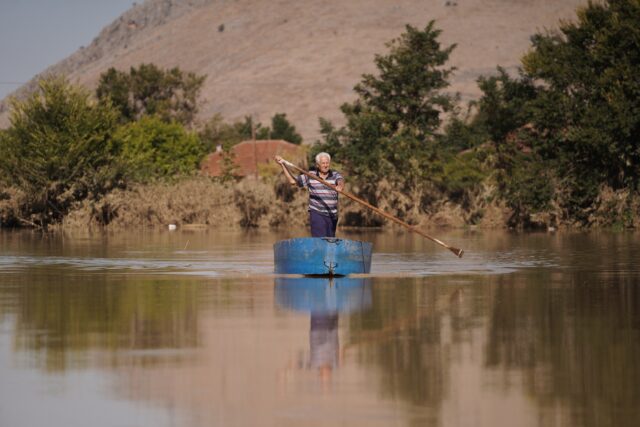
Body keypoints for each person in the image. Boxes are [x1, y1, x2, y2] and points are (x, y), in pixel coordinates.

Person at [275, 152, 344, 237]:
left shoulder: (335, 174)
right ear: (317, 165)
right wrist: (283, 165)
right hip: (317, 212)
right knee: (320, 239)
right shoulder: (311, 175)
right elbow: (292, 181)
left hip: (332, 215)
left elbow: (340, 181)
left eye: (327, 163)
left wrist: (340, 186)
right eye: (323, 163)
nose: (326, 165)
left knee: (331, 240)